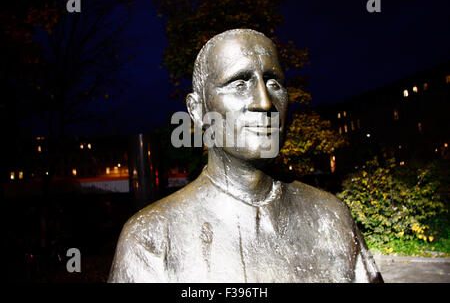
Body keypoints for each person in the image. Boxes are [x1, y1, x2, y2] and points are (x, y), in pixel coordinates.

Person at [108, 29, 383, 283]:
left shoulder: (332, 217)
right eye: (239, 84)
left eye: (274, 83)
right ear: (197, 110)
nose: (264, 102)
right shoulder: (151, 238)